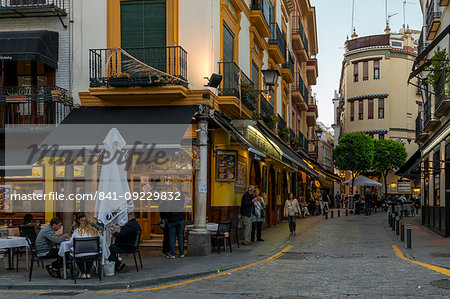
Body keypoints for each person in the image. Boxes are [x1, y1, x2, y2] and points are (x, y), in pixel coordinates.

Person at [69, 213, 100, 279]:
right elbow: (100, 241)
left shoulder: (76, 231)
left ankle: (83, 273)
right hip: (93, 254)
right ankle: (88, 273)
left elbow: (71, 243)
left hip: (79, 254)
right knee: (90, 252)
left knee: (77, 254)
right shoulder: (94, 231)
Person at [166, 187, 185, 258]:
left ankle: (172, 254)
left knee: (172, 238)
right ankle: (182, 253)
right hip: (180, 220)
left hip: (172, 221)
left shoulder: (171, 200)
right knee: (180, 237)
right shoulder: (182, 199)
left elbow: (168, 211)